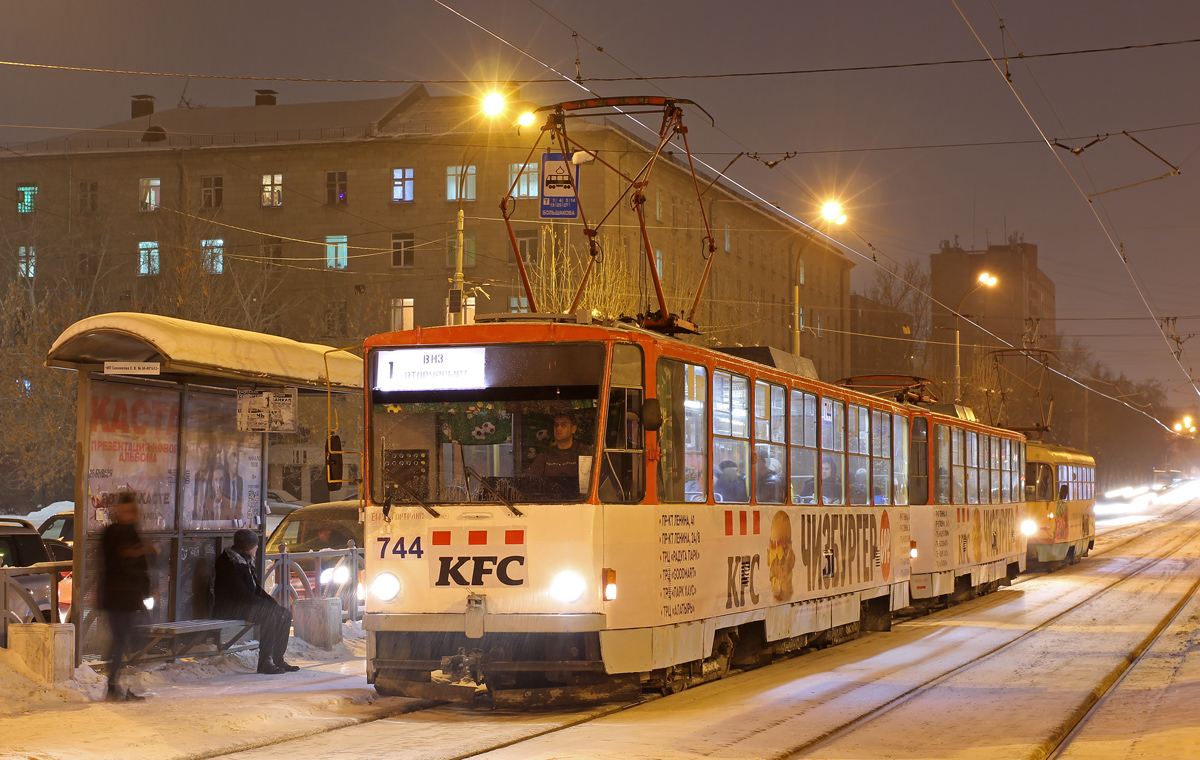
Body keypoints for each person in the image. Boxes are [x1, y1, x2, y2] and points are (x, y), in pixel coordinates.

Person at [213, 529, 298, 675]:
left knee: (284, 614)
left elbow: (256, 590)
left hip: (244, 605)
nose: (257, 548)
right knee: (269, 616)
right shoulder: (230, 564)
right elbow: (242, 595)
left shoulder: (245, 561)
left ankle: (278, 659)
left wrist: (273, 604)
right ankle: (265, 662)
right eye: (255, 545)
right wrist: (267, 607)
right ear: (247, 546)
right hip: (230, 607)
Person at [100, 491, 152, 701]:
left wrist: (147, 589)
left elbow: (141, 565)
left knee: (132, 637)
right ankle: (113, 683)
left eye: (132, 510)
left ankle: (119, 681)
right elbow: (115, 559)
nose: (128, 514)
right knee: (121, 639)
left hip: (131, 596)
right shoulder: (112, 532)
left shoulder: (132, 532)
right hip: (116, 596)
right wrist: (138, 551)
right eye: (125, 510)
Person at [528, 413, 592, 480]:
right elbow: (529, 479)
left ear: (573, 429)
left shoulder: (584, 451)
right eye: (556, 424)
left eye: (564, 425)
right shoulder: (546, 454)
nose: (558, 428)